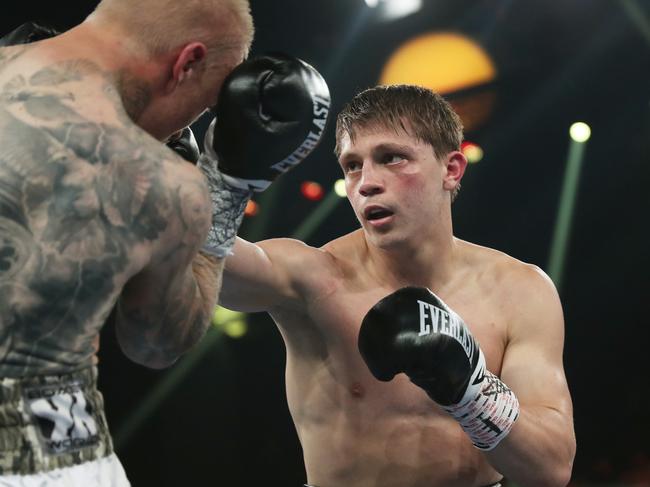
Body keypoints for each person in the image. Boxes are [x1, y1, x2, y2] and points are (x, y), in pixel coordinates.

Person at [0, 2, 330, 485]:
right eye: (210, 100)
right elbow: (156, 342)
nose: (193, 124)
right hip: (43, 448)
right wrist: (226, 185)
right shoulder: (154, 183)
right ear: (188, 62)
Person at [217, 84, 577, 486]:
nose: (366, 182)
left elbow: (551, 469)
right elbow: (208, 265)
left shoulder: (519, 291)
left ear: (451, 169)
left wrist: (471, 390)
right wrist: (221, 174)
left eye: (391, 158)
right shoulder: (313, 276)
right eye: (353, 165)